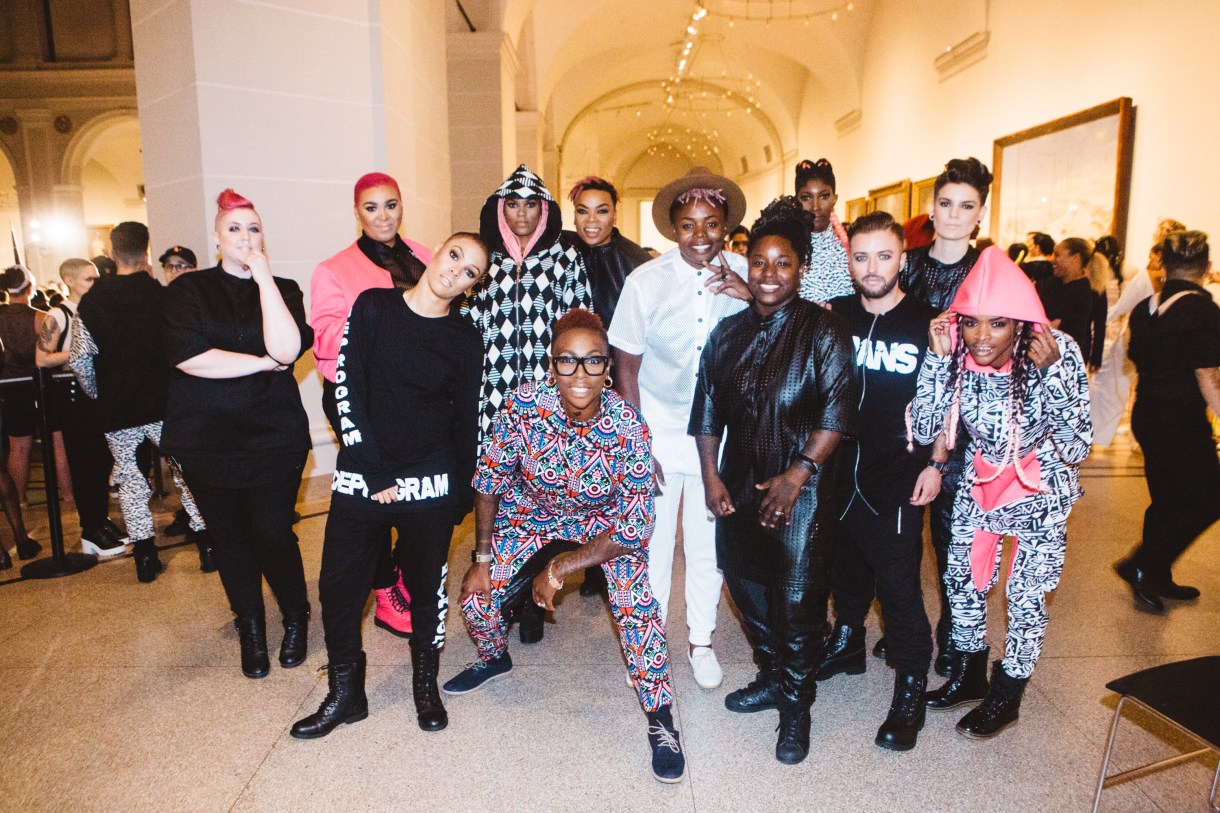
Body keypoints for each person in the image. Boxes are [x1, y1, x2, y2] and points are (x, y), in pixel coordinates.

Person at [443, 309, 685, 783]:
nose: (580, 374)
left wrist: (560, 568)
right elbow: (490, 480)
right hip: (531, 512)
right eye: (567, 361)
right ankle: (495, 658)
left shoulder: (628, 426)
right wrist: (483, 557)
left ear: (608, 369)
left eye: (593, 362)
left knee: (639, 609)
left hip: (604, 524)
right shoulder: (522, 406)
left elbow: (635, 524)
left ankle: (661, 720)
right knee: (476, 600)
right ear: (550, 366)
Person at [293, 233, 487, 737]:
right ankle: (345, 693)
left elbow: (467, 418)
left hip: (431, 481)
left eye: (470, 272)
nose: (455, 272)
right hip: (365, 473)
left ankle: (425, 684)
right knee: (338, 585)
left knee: (427, 589)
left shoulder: (465, 338)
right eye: (454, 256)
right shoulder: (374, 306)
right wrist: (374, 471)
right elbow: (347, 389)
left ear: (472, 287)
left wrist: (461, 494)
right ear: (435, 253)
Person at [690, 198, 856, 765]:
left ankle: (797, 705)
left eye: (781, 262)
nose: (767, 273)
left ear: (801, 266)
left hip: (805, 494)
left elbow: (837, 412)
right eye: (758, 262)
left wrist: (795, 476)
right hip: (738, 484)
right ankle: (773, 675)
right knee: (746, 587)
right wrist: (712, 477)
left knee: (798, 601)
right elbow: (708, 409)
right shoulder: (728, 333)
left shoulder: (826, 331)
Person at [912, 246, 1091, 739]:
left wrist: (1052, 375)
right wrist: (934, 359)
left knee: (1026, 596)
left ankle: (1008, 694)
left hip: (1043, 488)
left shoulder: (1059, 350)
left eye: (997, 324)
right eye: (971, 324)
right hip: (980, 482)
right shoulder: (956, 356)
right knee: (961, 583)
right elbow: (927, 424)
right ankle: (969, 675)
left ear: (1020, 323)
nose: (982, 337)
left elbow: (1077, 446)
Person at [608, 166, 751, 690]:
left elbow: (780, 330)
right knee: (652, 542)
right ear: (672, 228)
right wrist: (635, 442)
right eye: (688, 224)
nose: (700, 236)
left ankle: (701, 641)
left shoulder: (746, 274)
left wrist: (750, 296)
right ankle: (647, 645)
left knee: (708, 543)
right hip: (658, 428)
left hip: (720, 435)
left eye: (711, 223)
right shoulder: (646, 281)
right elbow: (625, 365)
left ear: (726, 224)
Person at [162, 190, 311, 678]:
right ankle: (250, 624)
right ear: (216, 236)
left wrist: (263, 277)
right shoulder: (188, 290)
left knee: (271, 531)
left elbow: (287, 349)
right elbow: (190, 357)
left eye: (253, 228)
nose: (245, 237)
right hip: (206, 438)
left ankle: (295, 616)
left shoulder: (284, 288)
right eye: (234, 229)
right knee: (229, 537)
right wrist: (260, 364)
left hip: (274, 435)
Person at [819, 211, 945, 752]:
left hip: (898, 472)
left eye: (884, 255)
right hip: (838, 470)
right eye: (862, 256)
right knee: (844, 569)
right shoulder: (834, 315)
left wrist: (937, 465)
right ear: (849, 261)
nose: (873, 267)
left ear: (903, 259)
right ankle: (846, 642)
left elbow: (949, 399)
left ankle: (911, 684)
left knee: (897, 587)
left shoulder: (929, 323)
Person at [465, 164, 592, 642]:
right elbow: (466, 328)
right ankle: (508, 594)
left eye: (531, 205)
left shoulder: (565, 258)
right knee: (496, 499)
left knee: (543, 501)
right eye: (512, 204)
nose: (521, 213)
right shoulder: (486, 259)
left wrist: (575, 397)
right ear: (500, 209)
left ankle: (536, 602)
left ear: (545, 210)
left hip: (547, 401)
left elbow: (582, 326)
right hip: (493, 398)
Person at [310, 172, 434, 639]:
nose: (383, 216)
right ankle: (384, 591)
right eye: (372, 207)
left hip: (417, 398)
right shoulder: (334, 269)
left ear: (402, 207)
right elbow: (324, 342)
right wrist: (387, 335)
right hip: (358, 398)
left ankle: (400, 568)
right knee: (373, 492)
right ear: (357, 212)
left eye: (391, 205)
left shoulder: (425, 256)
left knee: (424, 490)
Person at [69, 221, 206, 583]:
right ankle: (207, 545)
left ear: (113, 255)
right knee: (186, 473)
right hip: (165, 405)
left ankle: (145, 557)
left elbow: (80, 358)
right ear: (147, 252)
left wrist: (98, 392)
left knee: (130, 481)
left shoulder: (92, 301)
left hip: (119, 409)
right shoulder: (163, 296)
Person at [897, 156, 992, 676]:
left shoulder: (989, 270)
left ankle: (957, 636)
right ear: (932, 208)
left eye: (966, 205)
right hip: (903, 413)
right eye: (946, 203)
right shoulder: (905, 263)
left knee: (956, 538)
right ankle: (903, 624)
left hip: (967, 421)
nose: (954, 215)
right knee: (900, 532)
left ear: (980, 213)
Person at [1116, 231, 1220, 611]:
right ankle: (1142, 564)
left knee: (1167, 498)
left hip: (1147, 413)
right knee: (1210, 498)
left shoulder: (1146, 307)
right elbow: (1207, 376)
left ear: (1166, 265)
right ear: (1206, 269)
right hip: (1181, 419)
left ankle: (1156, 574)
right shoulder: (1205, 312)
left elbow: (1136, 357)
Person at [565, 175, 652, 597]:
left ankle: (601, 562)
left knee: (608, 473)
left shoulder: (635, 259)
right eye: (582, 211)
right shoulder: (559, 253)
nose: (591, 220)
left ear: (615, 211)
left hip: (616, 378)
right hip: (569, 378)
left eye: (601, 210)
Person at [35, 258, 126, 558]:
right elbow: (41, 358)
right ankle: (91, 528)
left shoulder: (93, 311)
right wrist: (76, 353)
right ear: (71, 281)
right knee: (85, 463)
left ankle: (100, 521)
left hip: (95, 394)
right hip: (71, 397)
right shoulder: (57, 314)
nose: (94, 284)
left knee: (100, 462)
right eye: (89, 279)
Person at [0, 264, 72, 505]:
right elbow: (53, 354)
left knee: (18, 448)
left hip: (12, 387)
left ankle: (18, 500)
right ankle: (69, 496)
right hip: (42, 384)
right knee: (58, 443)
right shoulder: (42, 318)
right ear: (29, 287)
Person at [156, 245, 201, 542]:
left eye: (182, 265)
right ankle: (189, 515)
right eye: (170, 266)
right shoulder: (157, 302)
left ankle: (200, 525)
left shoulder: (201, 300)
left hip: (197, 394)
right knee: (177, 465)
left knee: (191, 465)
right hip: (165, 394)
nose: (175, 271)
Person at [1040, 238, 1106, 372]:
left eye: (1057, 255)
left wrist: (1096, 356)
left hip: (1068, 359)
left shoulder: (1087, 290)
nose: (1052, 260)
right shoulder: (1052, 284)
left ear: (1075, 258)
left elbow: (1099, 324)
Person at [793, 158, 853, 303]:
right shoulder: (788, 249)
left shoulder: (851, 249)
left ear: (835, 199)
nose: (815, 207)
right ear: (796, 201)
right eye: (806, 197)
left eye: (824, 196)